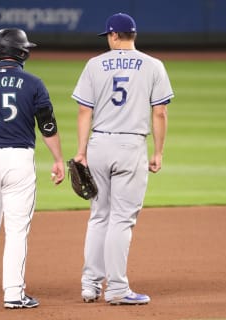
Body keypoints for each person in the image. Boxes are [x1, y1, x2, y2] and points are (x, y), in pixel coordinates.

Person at [0, 28, 65, 309]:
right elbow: (47, 125)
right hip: (18, 162)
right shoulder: (33, 83)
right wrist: (57, 159)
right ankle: (14, 293)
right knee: (16, 230)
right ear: (21, 52)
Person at [71, 13, 174, 305]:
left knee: (99, 216)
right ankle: (116, 288)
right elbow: (160, 112)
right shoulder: (154, 65)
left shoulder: (94, 64)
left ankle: (90, 285)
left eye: (108, 36)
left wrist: (81, 151)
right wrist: (158, 152)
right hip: (131, 146)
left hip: (99, 143)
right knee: (121, 219)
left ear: (114, 36)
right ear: (133, 35)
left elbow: (83, 112)